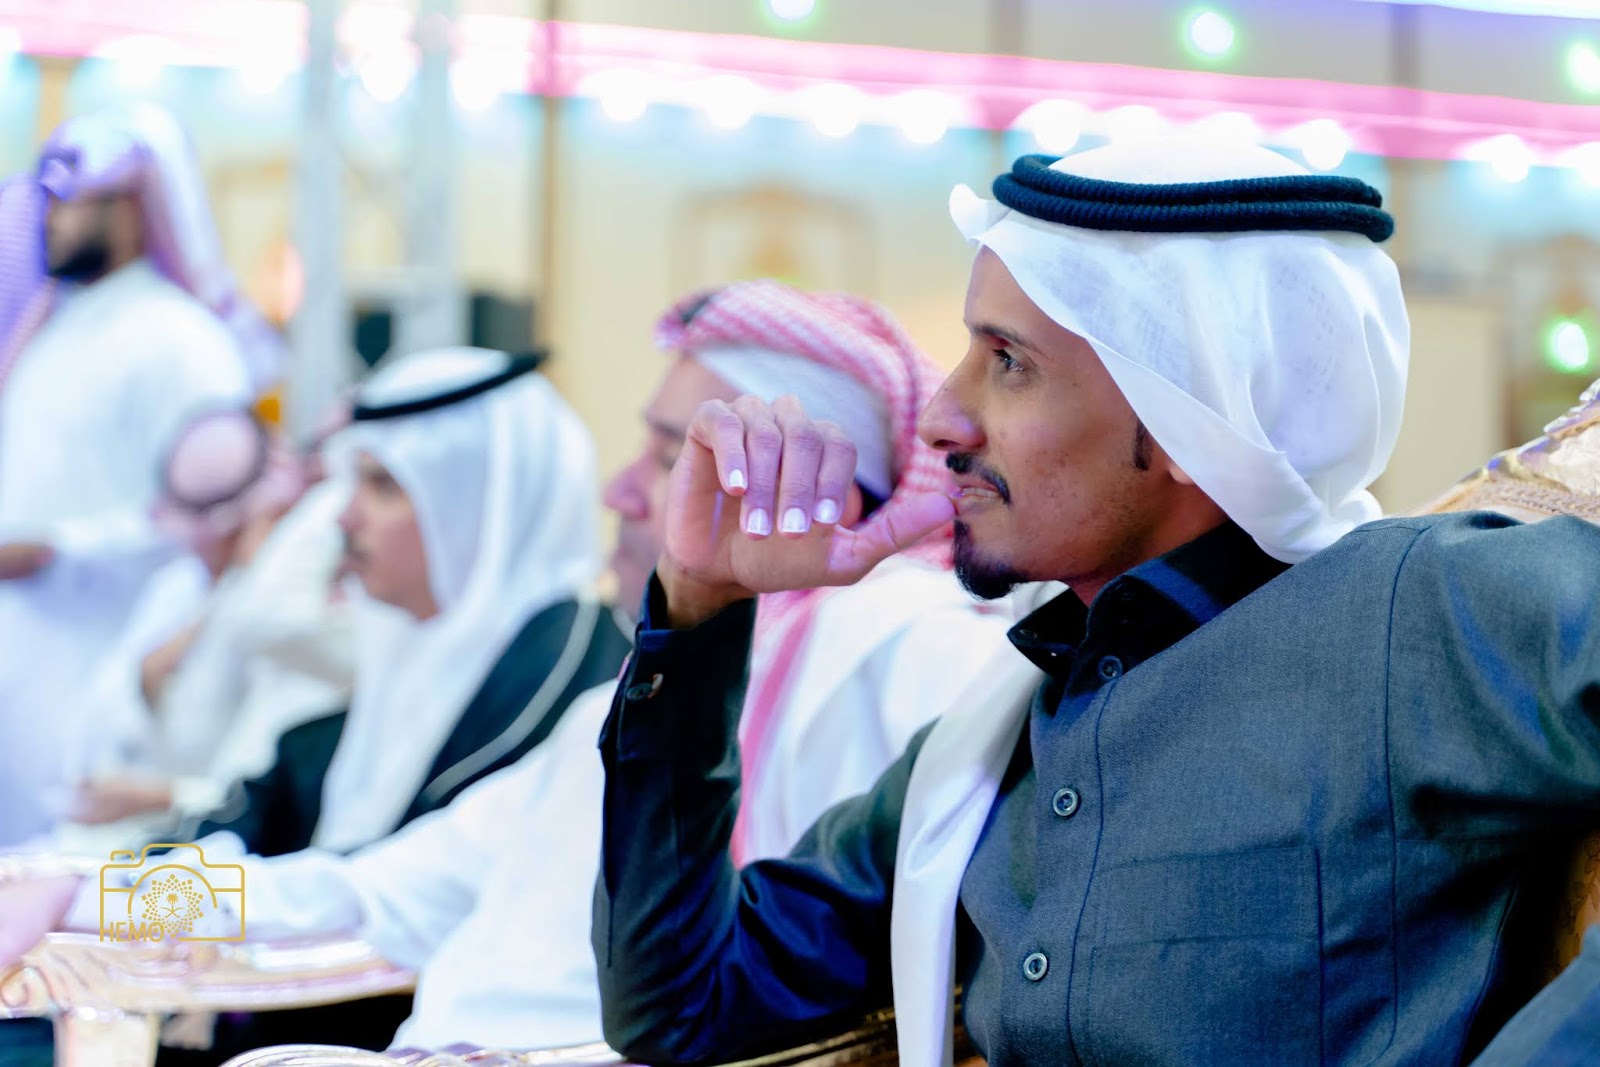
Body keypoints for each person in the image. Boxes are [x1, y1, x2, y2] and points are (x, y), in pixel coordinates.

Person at [592, 139, 1600, 1067]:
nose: (942, 417)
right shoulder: (999, 733)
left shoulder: (1409, 610)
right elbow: (678, 1000)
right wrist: (699, 601)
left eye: (1009, 363)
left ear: (1189, 423)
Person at [0, 102, 275, 846]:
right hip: (23, 657)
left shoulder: (181, 339)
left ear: (130, 210)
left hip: (110, 665)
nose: (51, 221)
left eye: (71, 204)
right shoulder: (51, 330)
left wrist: (55, 547)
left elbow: (219, 512)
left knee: (85, 876)